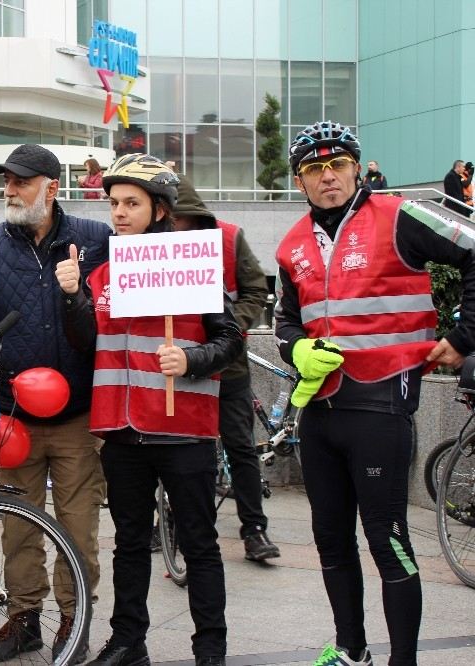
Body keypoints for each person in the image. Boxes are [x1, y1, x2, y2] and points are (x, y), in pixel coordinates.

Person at [277, 121, 475, 666]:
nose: (328, 177)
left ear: (357, 168)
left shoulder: (400, 214)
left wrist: (462, 338)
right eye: (314, 169)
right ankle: (351, 650)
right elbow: (285, 321)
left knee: (388, 544)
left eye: (337, 164)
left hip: (382, 405)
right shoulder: (292, 242)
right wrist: (295, 350)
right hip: (320, 412)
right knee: (331, 543)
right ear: (300, 181)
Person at [0, 144, 112, 663]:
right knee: (17, 526)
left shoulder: (94, 238)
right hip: (14, 415)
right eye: (5, 181)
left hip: (79, 413)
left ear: (52, 188)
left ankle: (72, 622)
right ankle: (24, 618)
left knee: (78, 525)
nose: (8, 189)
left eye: (20, 181)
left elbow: (114, 312)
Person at [60, 154, 240, 666]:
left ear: (159, 210)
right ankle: (128, 642)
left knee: (200, 545)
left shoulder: (194, 264)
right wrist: (73, 297)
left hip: (184, 431)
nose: (118, 212)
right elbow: (85, 341)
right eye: (114, 202)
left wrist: (190, 358)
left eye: (131, 203)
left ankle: (211, 649)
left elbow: (229, 339)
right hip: (121, 432)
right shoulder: (101, 273)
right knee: (130, 545)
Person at [172, 176, 279, 562]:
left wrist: (232, 325)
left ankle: (254, 528)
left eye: (178, 218)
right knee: (176, 451)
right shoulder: (152, 243)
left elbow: (255, 291)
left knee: (240, 446)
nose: (171, 225)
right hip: (175, 364)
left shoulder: (228, 239)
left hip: (227, 364)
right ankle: (169, 524)